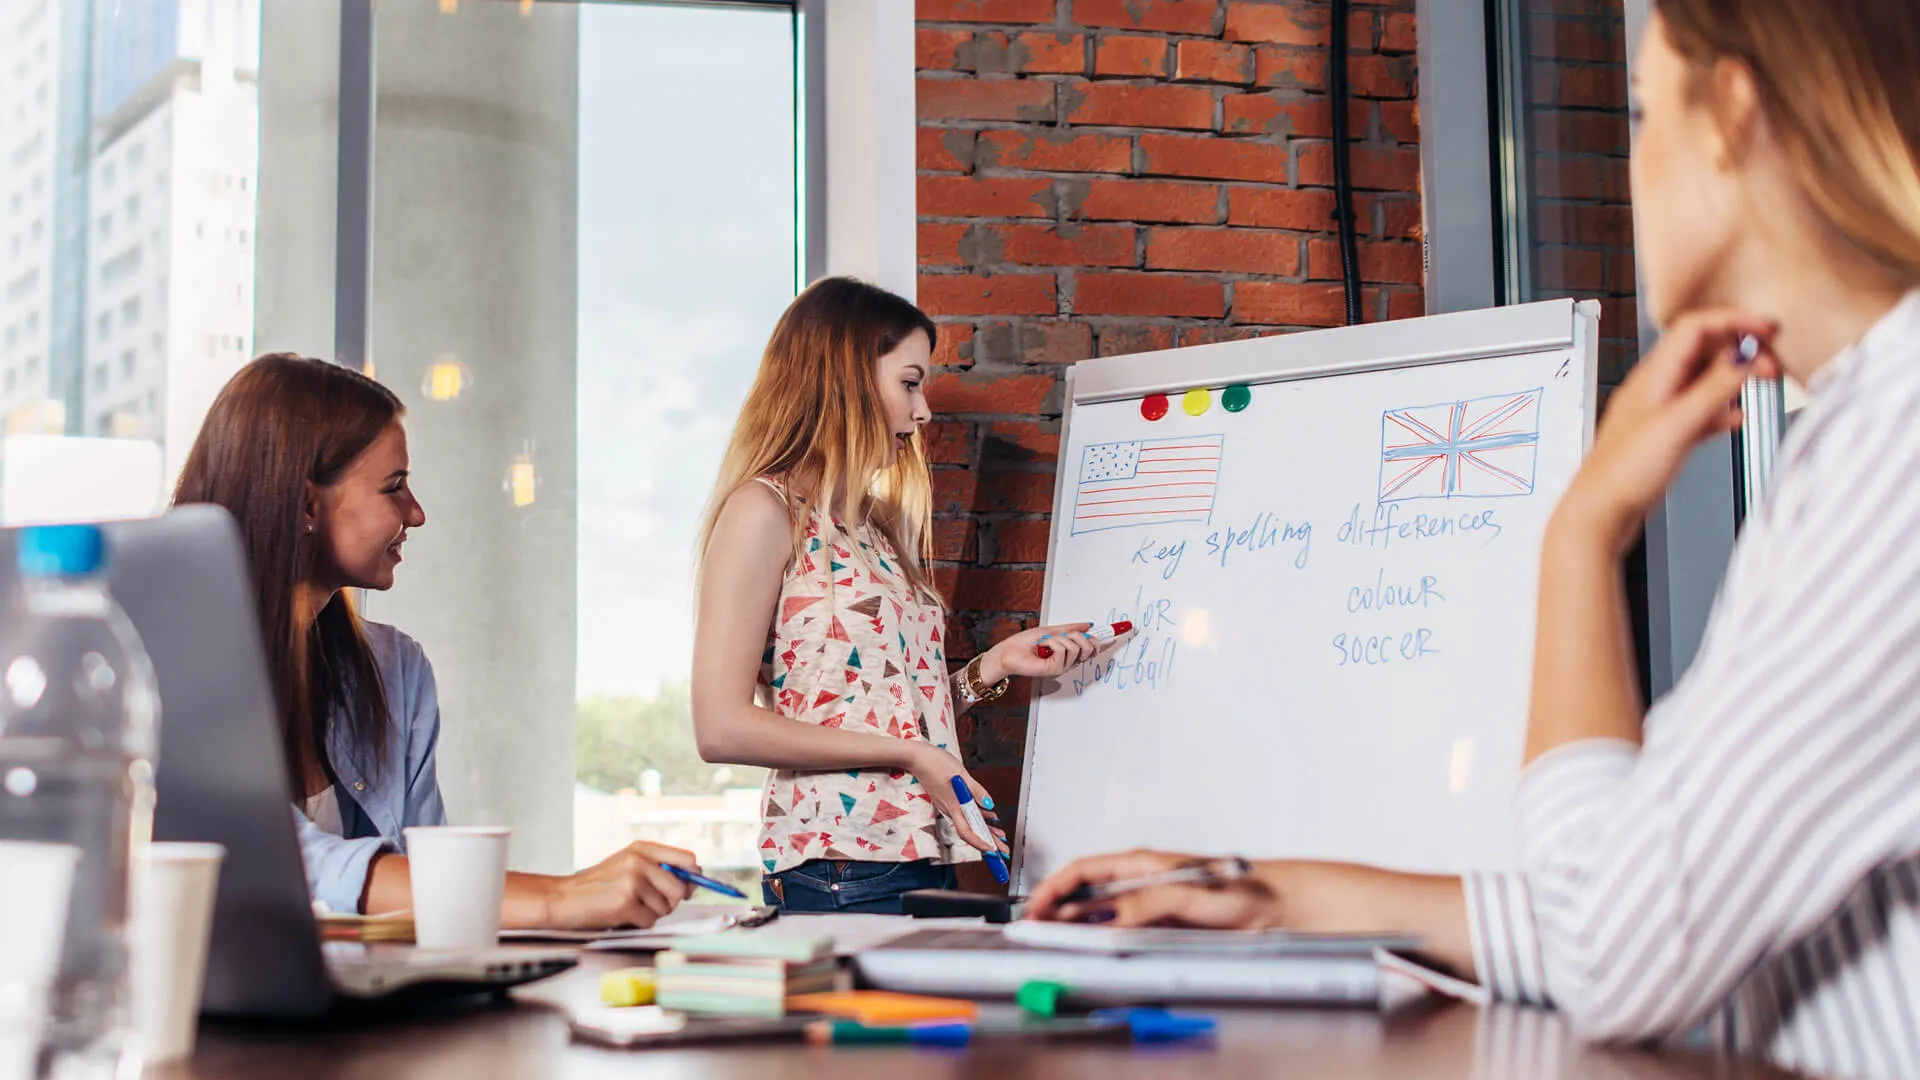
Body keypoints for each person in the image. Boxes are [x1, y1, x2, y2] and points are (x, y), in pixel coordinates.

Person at [1027, 1, 1920, 1075]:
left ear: (1732, 112)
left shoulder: (1896, 455)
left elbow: (1614, 951)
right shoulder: (1863, 435)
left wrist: (1580, 537)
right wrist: (1272, 894)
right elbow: (1653, 899)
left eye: (1641, 112)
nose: (1634, 162)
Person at [174, 354, 700, 927]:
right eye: (394, 487)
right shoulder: (172, 669)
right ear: (306, 505)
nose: (417, 513)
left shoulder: (395, 670)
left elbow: (430, 887)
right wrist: (560, 898)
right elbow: (279, 861)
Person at [691, 277, 1105, 914]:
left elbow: (889, 708)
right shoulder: (763, 512)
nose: (923, 411)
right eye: (909, 383)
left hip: (922, 858)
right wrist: (911, 755)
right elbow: (720, 727)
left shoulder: (875, 527)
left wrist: (994, 667)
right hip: (838, 867)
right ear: (846, 378)